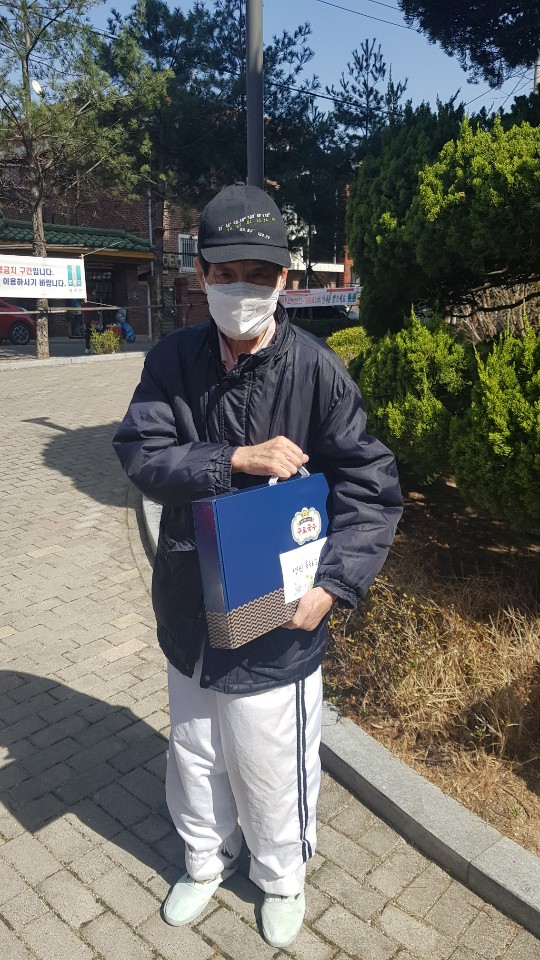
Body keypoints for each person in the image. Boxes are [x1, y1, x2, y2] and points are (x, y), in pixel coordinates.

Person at [113, 182, 402, 949]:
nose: (242, 289)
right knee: (196, 745)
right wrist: (231, 460)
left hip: (281, 616)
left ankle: (280, 874)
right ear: (200, 272)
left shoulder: (316, 371)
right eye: (226, 272)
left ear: (284, 279)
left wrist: (335, 584)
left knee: (271, 755)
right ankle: (205, 857)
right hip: (190, 600)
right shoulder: (173, 360)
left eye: (260, 274)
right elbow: (141, 454)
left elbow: (371, 490)